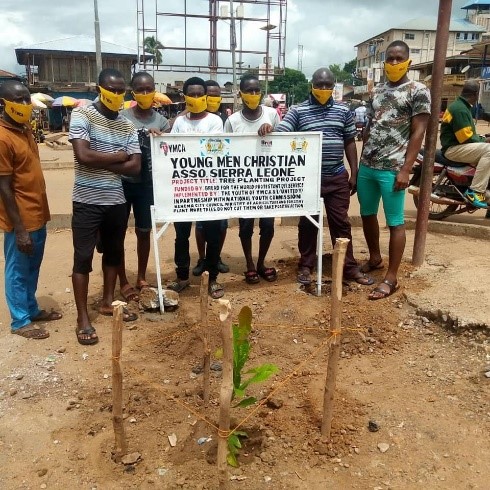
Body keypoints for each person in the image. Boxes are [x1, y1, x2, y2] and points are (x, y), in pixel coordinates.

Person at [259, 67, 374, 287]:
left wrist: (354, 171)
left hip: (337, 175)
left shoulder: (343, 111)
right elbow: (282, 133)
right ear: (312, 85)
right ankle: (306, 266)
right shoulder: (298, 111)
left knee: (341, 223)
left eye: (328, 85)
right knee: (308, 223)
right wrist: (268, 128)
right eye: (319, 85)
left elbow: (350, 141)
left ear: (333, 86)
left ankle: (348, 268)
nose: (323, 89)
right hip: (308, 179)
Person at [69, 68, 141, 345]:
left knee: (113, 253)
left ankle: (108, 301)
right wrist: (119, 156)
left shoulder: (127, 125)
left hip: (115, 200)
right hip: (87, 200)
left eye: (121, 90)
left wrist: (107, 159)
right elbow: (82, 155)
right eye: (112, 89)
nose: (117, 94)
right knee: (82, 258)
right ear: (100, 88)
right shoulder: (83, 114)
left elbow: (134, 168)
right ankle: (82, 318)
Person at [358, 40, 430, 300]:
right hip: (368, 165)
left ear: (408, 60)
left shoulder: (418, 90)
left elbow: (418, 131)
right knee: (367, 214)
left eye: (400, 58)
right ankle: (375, 258)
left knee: (395, 222)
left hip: (393, 168)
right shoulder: (376, 91)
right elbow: (369, 125)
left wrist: (405, 170)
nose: (395, 63)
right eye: (390, 58)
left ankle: (391, 277)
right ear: (385, 61)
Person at [0, 80, 62, 339]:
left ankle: (31, 308)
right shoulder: (3, 137)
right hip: (20, 221)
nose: (26, 104)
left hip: (38, 214)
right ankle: (20, 320)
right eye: (20, 99)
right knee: (17, 269)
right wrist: (20, 229)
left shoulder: (24, 130)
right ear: (3, 104)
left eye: (27, 98)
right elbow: (3, 187)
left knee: (32, 266)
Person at [116, 72, 170, 302]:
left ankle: (140, 276)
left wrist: (160, 140)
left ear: (154, 90)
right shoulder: (121, 117)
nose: (145, 94)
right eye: (140, 89)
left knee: (143, 231)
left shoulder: (162, 121)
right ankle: (122, 280)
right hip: (121, 182)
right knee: (117, 233)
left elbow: (169, 152)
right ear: (133, 91)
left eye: (149, 89)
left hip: (147, 185)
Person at [170, 76, 225, 299]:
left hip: (209, 187)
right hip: (183, 187)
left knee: (212, 234)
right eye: (190, 94)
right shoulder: (179, 123)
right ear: (184, 97)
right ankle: (182, 277)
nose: (195, 98)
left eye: (199, 94)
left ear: (205, 96)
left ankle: (212, 279)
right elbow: (173, 149)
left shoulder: (215, 121)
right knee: (181, 235)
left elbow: (212, 151)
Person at [224, 73, 280, 284]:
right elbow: (225, 151)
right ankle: (249, 263)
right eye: (249, 91)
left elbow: (282, 141)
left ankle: (261, 262)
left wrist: (272, 130)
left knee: (268, 225)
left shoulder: (272, 115)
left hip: (268, 180)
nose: (254, 94)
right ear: (241, 94)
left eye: (257, 90)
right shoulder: (232, 120)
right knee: (246, 226)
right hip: (243, 182)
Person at [192, 79, 229, 277]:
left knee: (220, 224)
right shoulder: (188, 118)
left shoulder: (224, 118)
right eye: (210, 95)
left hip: (218, 180)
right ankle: (202, 257)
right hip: (197, 181)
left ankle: (217, 257)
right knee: (200, 225)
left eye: (216, 96)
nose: (212, 99)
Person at [440, 80, 490, 209]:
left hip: (460, 146)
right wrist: (484, 141)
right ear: (475, 94)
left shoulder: (462, 106)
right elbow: (465, 138)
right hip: (454, 149)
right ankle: (475, 191)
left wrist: (483, 137)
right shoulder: (460, 109)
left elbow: (468, 133)